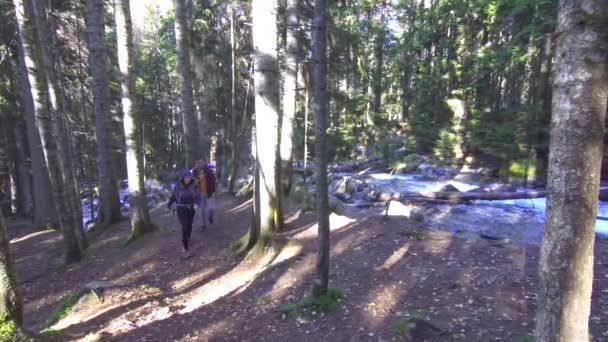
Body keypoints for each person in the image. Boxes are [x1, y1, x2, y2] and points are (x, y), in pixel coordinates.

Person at [167, 168, 199, 259]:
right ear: (183, 177)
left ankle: (187, 238)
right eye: (186, 177)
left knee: (189, 225)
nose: (188, 179)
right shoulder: (178, 185)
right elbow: (173, 195)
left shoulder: (194, 184)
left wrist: (197, 203)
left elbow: (198, 195)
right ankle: (185, 247)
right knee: (185, 226)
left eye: (189, 177)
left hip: (191, 208)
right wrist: (169, 205)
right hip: (181, 208)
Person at [192, 158, 216, 230]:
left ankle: (210, 217)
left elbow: (213, 181)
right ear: (196, 164)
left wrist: (213, 191)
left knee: (211, 208)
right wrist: (196, 182)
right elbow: (193, 182)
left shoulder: (209, 171)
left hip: (209, 191)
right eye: (198, 163)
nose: (200, 164)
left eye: (201, 162)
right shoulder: (194, 171)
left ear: (204, 163)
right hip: (200, 193)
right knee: (201, 209)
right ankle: (203, 225)